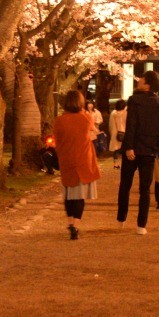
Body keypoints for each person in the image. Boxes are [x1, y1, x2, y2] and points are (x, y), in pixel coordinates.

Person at [116, 71, 159, 235]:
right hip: (150, 150)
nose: (139, 80)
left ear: (147, 84)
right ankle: (141, 225)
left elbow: (132, 124)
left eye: (142, 79)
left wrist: (129, 146)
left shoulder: (135, 100)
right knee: (145, 189)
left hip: (133, 148)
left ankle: (121, 218)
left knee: (125, 184)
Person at [54, 89, 101, 240]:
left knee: (68, 195)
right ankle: (76, 224)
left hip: (67, 158)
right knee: (80, 196)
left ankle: (69, 222)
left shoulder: (60, 120)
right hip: (83, 159)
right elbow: (93, 131)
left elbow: (57, 139)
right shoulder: (86, 118)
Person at [108, 100, 128, 169]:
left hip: (117, 133)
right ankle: (126, 164)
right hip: (125, 132)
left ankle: (116, 164)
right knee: (126, 149)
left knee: (116, 149)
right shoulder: (126, 112)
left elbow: (111, 124)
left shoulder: (114, 113)